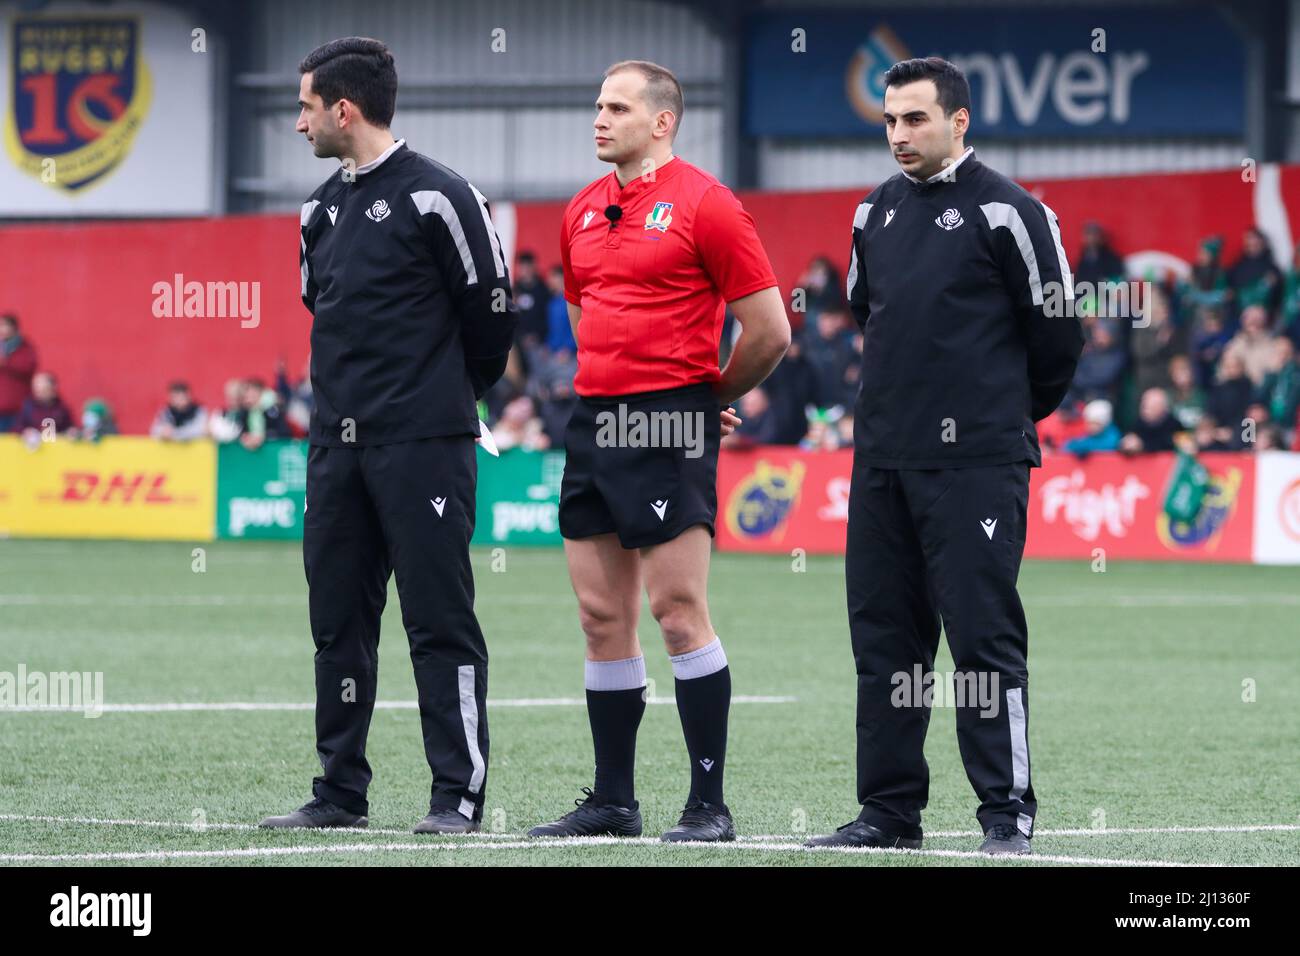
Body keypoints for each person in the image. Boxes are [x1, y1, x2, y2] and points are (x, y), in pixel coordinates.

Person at [805, 58, 1083, 856]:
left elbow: (1058, 334)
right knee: (886, 643)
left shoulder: (1012, 211)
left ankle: (1006, 813)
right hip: (882, 460)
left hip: (977, 466)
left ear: (958, 122)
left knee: (982, 640)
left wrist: (1000, 417)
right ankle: (889, 813)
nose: (899, 134)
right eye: (890, 120)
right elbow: (869, 313)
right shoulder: (872, 214)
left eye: (915, 119)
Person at [260, 37, 516, 835]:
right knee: (337, 624)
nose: (297, 123)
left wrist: (438, 402)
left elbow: (492, 317)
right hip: (335, 451)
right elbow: (321, 311)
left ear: (345, 108)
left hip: (425, 445)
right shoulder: (316, 211)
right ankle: (339, 793)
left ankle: (457, 797)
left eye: (305, 106)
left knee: (438, 622)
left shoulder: (441, 196)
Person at [528, 59, 788, 843]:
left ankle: (708, 807)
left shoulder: (708, 205)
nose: (599, 119)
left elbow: (771, 330)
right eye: (596, 104)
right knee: (602, 616)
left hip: (670, 421)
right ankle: (613, 803)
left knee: (678, 614)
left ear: (662, 120)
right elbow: (587, 314)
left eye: (616, 107)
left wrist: (705, 400)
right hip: (593, 418)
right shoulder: (579, 212)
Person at [0, 314, 37, 433]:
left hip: (18, 410)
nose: (1, 329)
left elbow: (28, 367)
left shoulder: (24, 347)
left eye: (4, 325)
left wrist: (6, 362)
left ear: (14, 328)